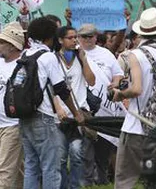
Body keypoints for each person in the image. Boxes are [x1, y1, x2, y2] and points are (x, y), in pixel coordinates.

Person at [111, 8, 156, 189]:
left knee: (126, 179)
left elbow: (136, 89)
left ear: (140, 33)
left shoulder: (135, 55)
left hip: (137, 127)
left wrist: (119, 94)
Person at [20, 16, 85, 189]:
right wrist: (77, 113)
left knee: (31, 165)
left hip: (25, 116)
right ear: (50, 37)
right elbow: (61, 89)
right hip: (43, 116)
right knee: (51, 166)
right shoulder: (48, 57)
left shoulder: (25, 54)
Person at [78, 23, 125, 186]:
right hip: (85, 108)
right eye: (84, 36)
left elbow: (118, 74)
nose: (87, 39)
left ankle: (102, 179)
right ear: (78, 37)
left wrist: (115, 83)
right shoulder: (75, 54)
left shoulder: (105, 54)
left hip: (106, 108)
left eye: (90, 36)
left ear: (96, 37)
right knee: (86, 149)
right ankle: (87, 181)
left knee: (104, 149)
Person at [53, 26, 96, 189]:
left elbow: (91, 81)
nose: (74, 41)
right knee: (61, 157)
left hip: (79, 115)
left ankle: (75, 186)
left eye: (75, 37)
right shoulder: (53, 59)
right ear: (60, 40)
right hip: (60, 116)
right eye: (70, 38)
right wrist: (58, 107)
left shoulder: (80, 57)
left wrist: (84, 59)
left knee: (77, 153)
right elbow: (50, 87)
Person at [0, 22, 26, 188]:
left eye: (2, 42)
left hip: (13, 125)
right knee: (17, 171)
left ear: (12, 45)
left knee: (4, 170)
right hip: (1, 124)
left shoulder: (24, 65)